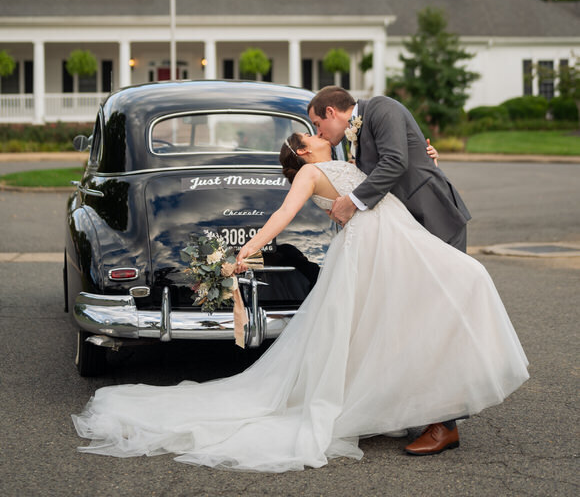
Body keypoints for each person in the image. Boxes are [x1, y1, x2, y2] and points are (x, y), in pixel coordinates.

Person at [72, 132, 529, 471]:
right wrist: (248, 250)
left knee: (416, 309)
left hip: (395, 242)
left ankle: (417, 405)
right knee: (451, 286)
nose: (320, 134)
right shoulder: (311, 172)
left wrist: (423, 154)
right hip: (373, 248)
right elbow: (283, 214)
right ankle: (415, 410)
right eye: (311, 134)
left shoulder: (347, 157)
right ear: (305, 151)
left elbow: (388, 169)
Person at [308, 85, 472, 454]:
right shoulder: (356, 138)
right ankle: (412, 411)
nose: (320, 134)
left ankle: (445, 425)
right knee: (410, 320)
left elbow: (396, 162)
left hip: (436, 219)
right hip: (409, 232)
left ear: (333, 112)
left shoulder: (381, 109)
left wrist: (352, 201)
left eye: (318, 124)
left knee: (436, 319)